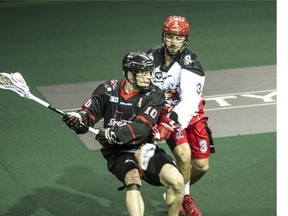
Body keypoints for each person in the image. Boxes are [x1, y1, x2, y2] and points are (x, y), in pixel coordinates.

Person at [62, 51, 184, 216]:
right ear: (129, 74)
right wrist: (78, 119)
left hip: (145, 148)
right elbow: (88, 114)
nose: (148, 77)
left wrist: (113, 133)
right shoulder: (107, 89)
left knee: (177, 182)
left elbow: (143, 126)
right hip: (117, 151)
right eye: (143, 73)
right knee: (133, 179)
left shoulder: (155, 94)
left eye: (149, 72)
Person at [147, 16, 215, 216]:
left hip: (190, 115)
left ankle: (176, 187)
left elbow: (189, 101)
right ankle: (184, 196)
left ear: (186, 40)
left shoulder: (190, 63)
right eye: (170, 36)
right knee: (184, 156)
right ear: (163, 36)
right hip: (165, 113)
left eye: (179, 38)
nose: (173, 42)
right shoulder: (150, 58)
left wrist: (170, 123)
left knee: (201, 166)